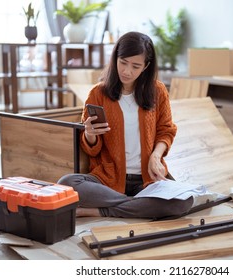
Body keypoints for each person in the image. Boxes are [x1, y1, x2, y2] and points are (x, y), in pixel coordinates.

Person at [57, 31, 193, 219]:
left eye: (135, 66)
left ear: (145, 67)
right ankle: (136, 205)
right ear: (115, 59)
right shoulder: (98, 94)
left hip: (148, 179)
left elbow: (166, 130)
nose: (127, 71)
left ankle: (103, 210)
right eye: (123, 62)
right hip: (108, 179)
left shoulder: (158, 91)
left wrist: (156, 155)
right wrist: (89, 134)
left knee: (184, 202)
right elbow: (92, 151)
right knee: (67, 183)